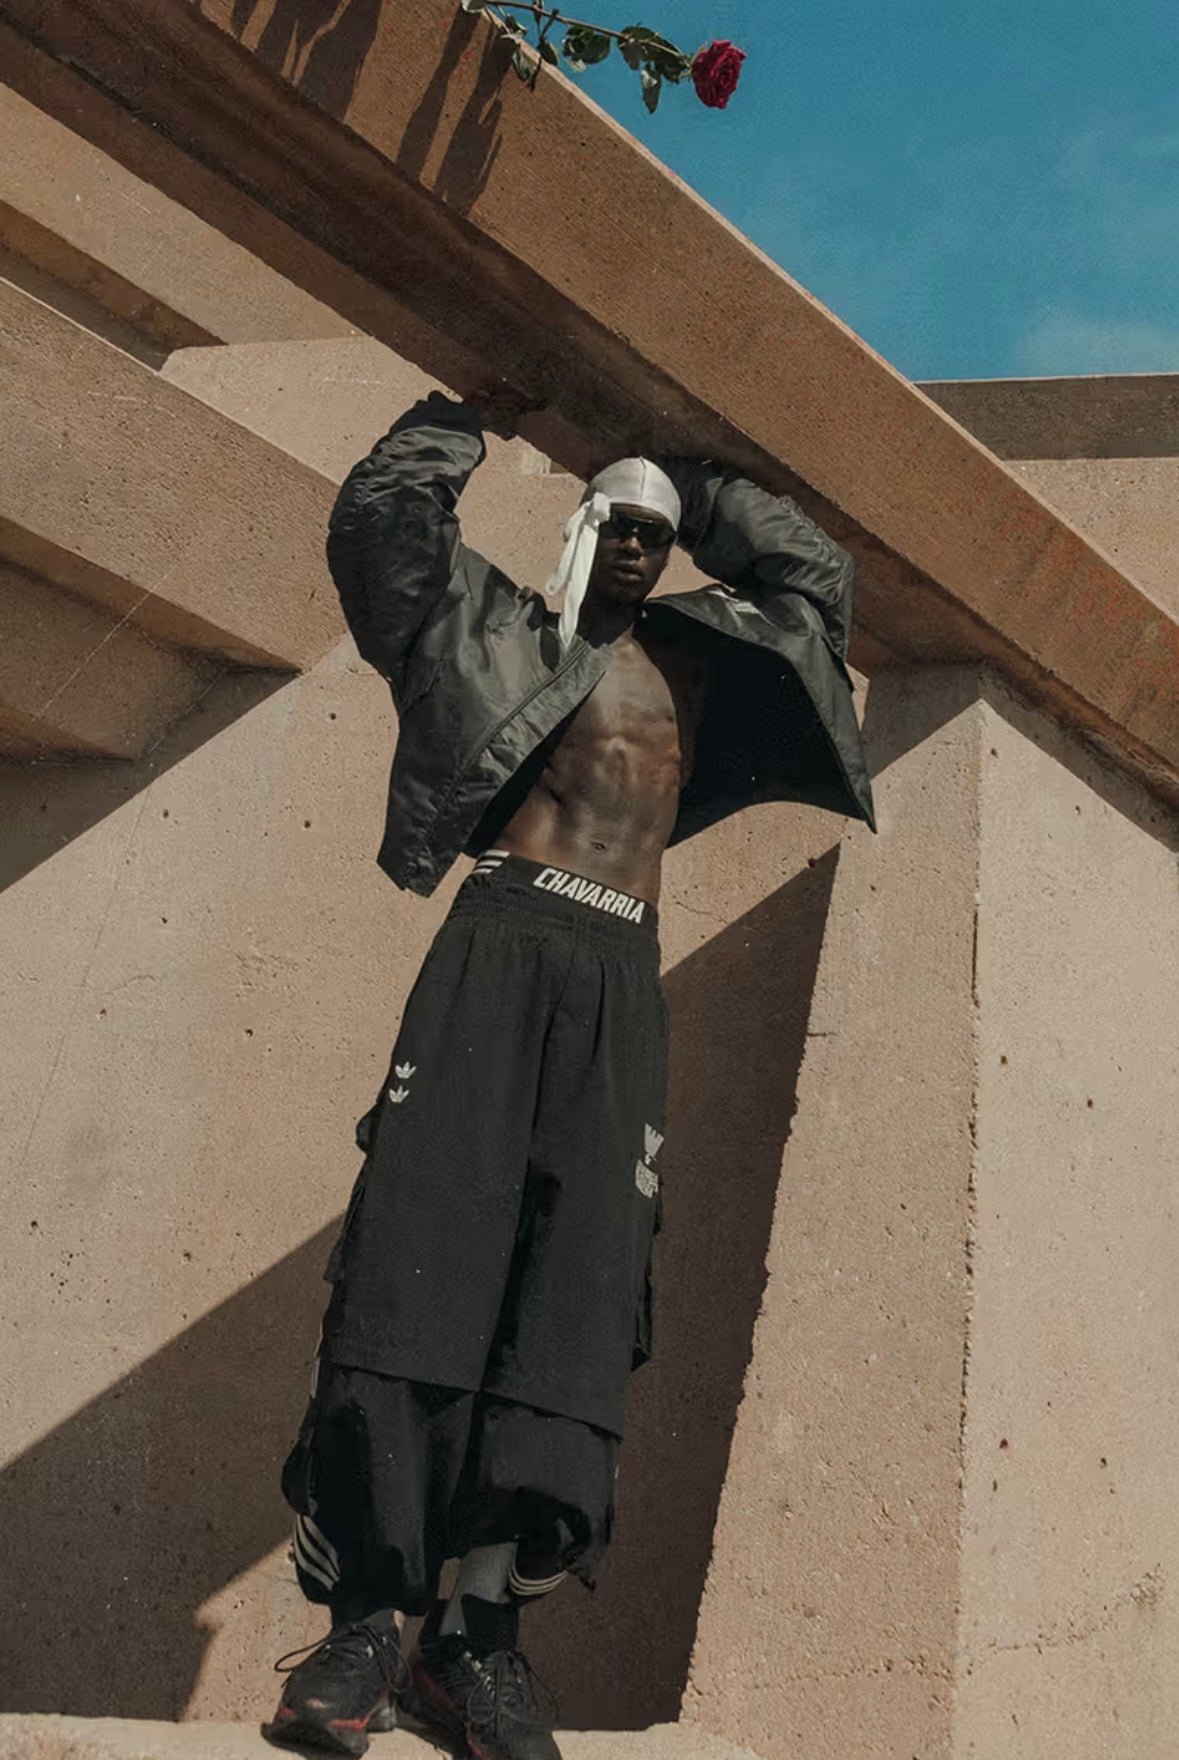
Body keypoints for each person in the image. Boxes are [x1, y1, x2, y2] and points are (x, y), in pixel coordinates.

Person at [263, 387, 874, 1760]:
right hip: (502, 935)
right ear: (583, 526)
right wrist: (466, 414)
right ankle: (364, 1626)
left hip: (619, 970)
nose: (646, 548)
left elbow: (819, 581)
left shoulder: (708, 661)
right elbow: (381, 529)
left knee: (581, 1284)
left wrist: (687, 478)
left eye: (664, 532)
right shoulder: (490, 630)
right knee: (417, 1252)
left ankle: (475, 1643)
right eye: (625, 522)